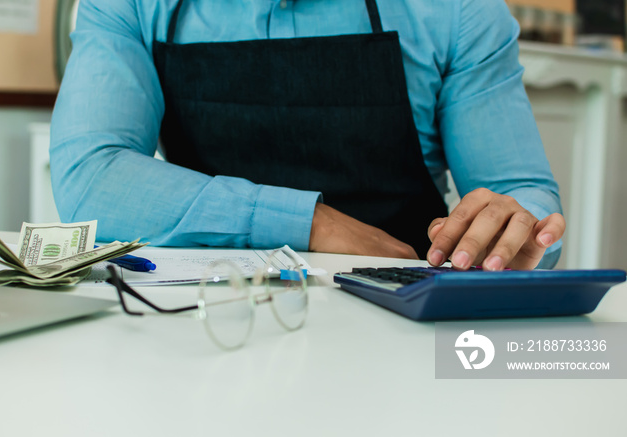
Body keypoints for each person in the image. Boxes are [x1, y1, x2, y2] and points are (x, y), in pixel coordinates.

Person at [50, 0, 565, 271]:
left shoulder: (459, 9)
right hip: (210, 306)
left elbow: (520, 190)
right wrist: (309, 222)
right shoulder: (129, 4)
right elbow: (90, 177)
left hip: (403, 310)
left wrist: (511, 227)